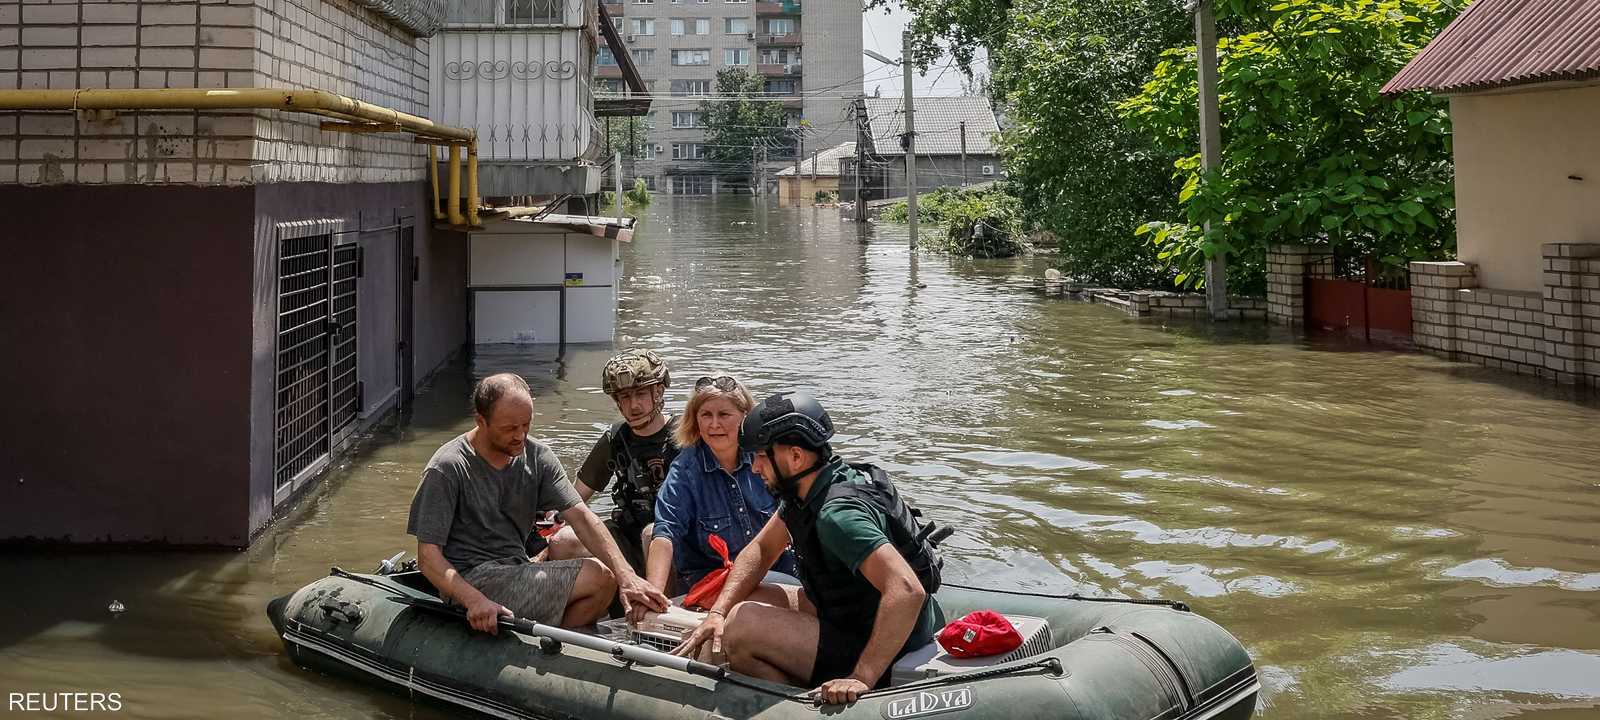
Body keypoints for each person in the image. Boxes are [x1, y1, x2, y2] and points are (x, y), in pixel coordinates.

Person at [673, 392, 946, 706]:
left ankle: (804, 708)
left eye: (762, 456)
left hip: (886, 647)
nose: (755, 467)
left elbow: (908, 590)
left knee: (742, 626)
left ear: (796, 457)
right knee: (746, 599)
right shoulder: (810, 489)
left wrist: (861, 676)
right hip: (855, 616)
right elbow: (761, 550)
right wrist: (716, 613)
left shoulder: (837, 516)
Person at [406, 373, 669, 633]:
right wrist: (473, 599)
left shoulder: (537, 456)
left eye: (526, 425)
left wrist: (627, 576)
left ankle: (544, 645)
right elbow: (428, 557)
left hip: (517, 568)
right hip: (472, 578)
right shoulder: (448, 467)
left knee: (604, 574)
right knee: (598, 577)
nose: (520, 436)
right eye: (509, 429)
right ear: (481, 421)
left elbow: (582, 517)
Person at [646, 375, 798, 602]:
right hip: (714, 583)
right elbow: (665, 533)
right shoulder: (685, 470)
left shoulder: (768, 458)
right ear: (695, 420)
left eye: (724, 415)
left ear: (745, 416)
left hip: (778, 573)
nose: (714, 425)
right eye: (706, 415)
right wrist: (653, 595)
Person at [543, 349, 679, 575]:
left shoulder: (684, 436)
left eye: (641, 394)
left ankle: (663, 605)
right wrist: (546, 528)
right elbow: (574, 500)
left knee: (653, 534)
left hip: (674, 539)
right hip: (627, 536)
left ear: (659, 392)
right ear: (617, 402)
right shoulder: (615, 439)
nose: (633, 405)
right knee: (562, 541)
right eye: (625, 397)